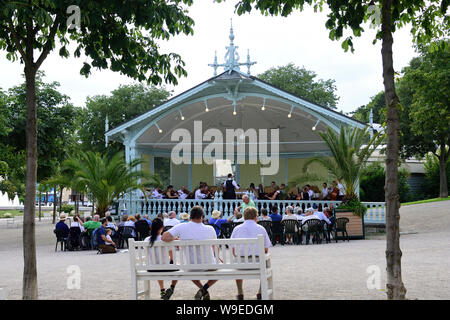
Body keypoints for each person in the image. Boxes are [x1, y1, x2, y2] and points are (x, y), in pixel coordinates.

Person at [161, 206, 219, 300]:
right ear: (202, 217)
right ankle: (204, 289)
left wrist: (177, 239)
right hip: (209, 265)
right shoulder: (210, 229)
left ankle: (202, 290)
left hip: (190, 266)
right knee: (219, 271)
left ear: (190, 216)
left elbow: (164, 237)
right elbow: (216, 246)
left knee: (190, 271)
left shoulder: (182, 226)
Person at [230, 207, 272, 300]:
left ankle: (240, 293)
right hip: (257, 264)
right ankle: (260, 293)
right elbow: (266, 250)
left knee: (237, 261)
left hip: (240, 264)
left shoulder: (237, 228)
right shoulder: (261, 229)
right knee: (266, 266)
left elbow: (233, 249)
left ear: (244, 217)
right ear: (255, 217)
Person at [144, 218, 178, 300]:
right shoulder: (165, 240)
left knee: (158, 263)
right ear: (162, 227)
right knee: (178, 269)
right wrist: (172, 260)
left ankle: (162, 289)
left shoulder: (147, 239)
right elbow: (171, 255)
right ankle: (172, 287)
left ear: (151, 228)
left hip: (151, 268)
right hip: (165, 267)